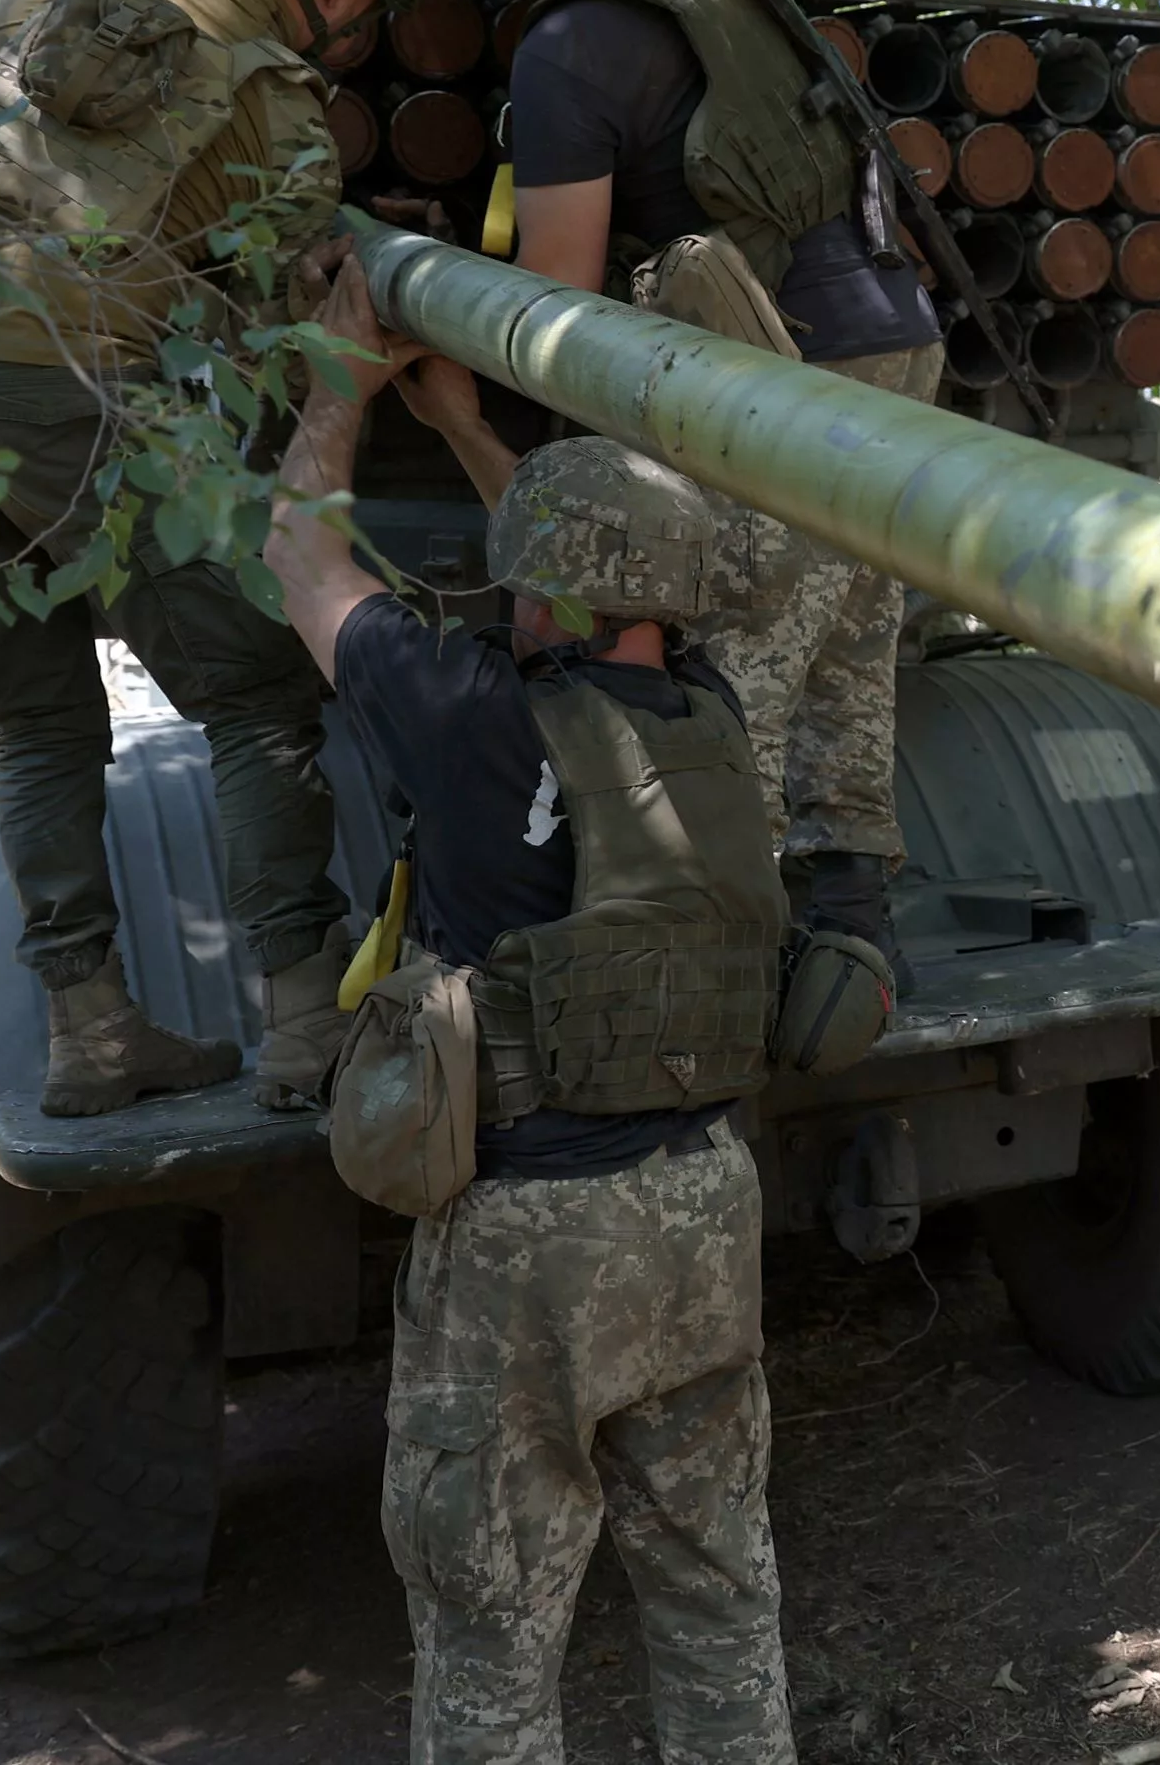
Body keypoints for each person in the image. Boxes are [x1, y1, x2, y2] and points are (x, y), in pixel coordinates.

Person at [263, 255, 794, 1765]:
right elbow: (607, 563)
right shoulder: (712, 718)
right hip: (703, 1199)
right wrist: (490, 438)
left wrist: (340, 391)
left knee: (491, 1636)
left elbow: (302, 560)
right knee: (718, 1602)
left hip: (530, 1243)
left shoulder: (473, 715)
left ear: (545, 583)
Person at [0, 0, 424, 1117]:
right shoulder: (278, 101)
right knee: (257, 684)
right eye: (369, 10)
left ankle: (91, 1032)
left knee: (44, 723)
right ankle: (300, 1025)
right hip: (64, 382)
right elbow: (281, 314)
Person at [377, 0, 942, 984]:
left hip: (775, 388)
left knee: (727, 679)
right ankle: (852, 927)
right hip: (899, 348)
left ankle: (724, 966)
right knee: (850, 637)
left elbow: (564, 307)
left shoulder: (571, 45)